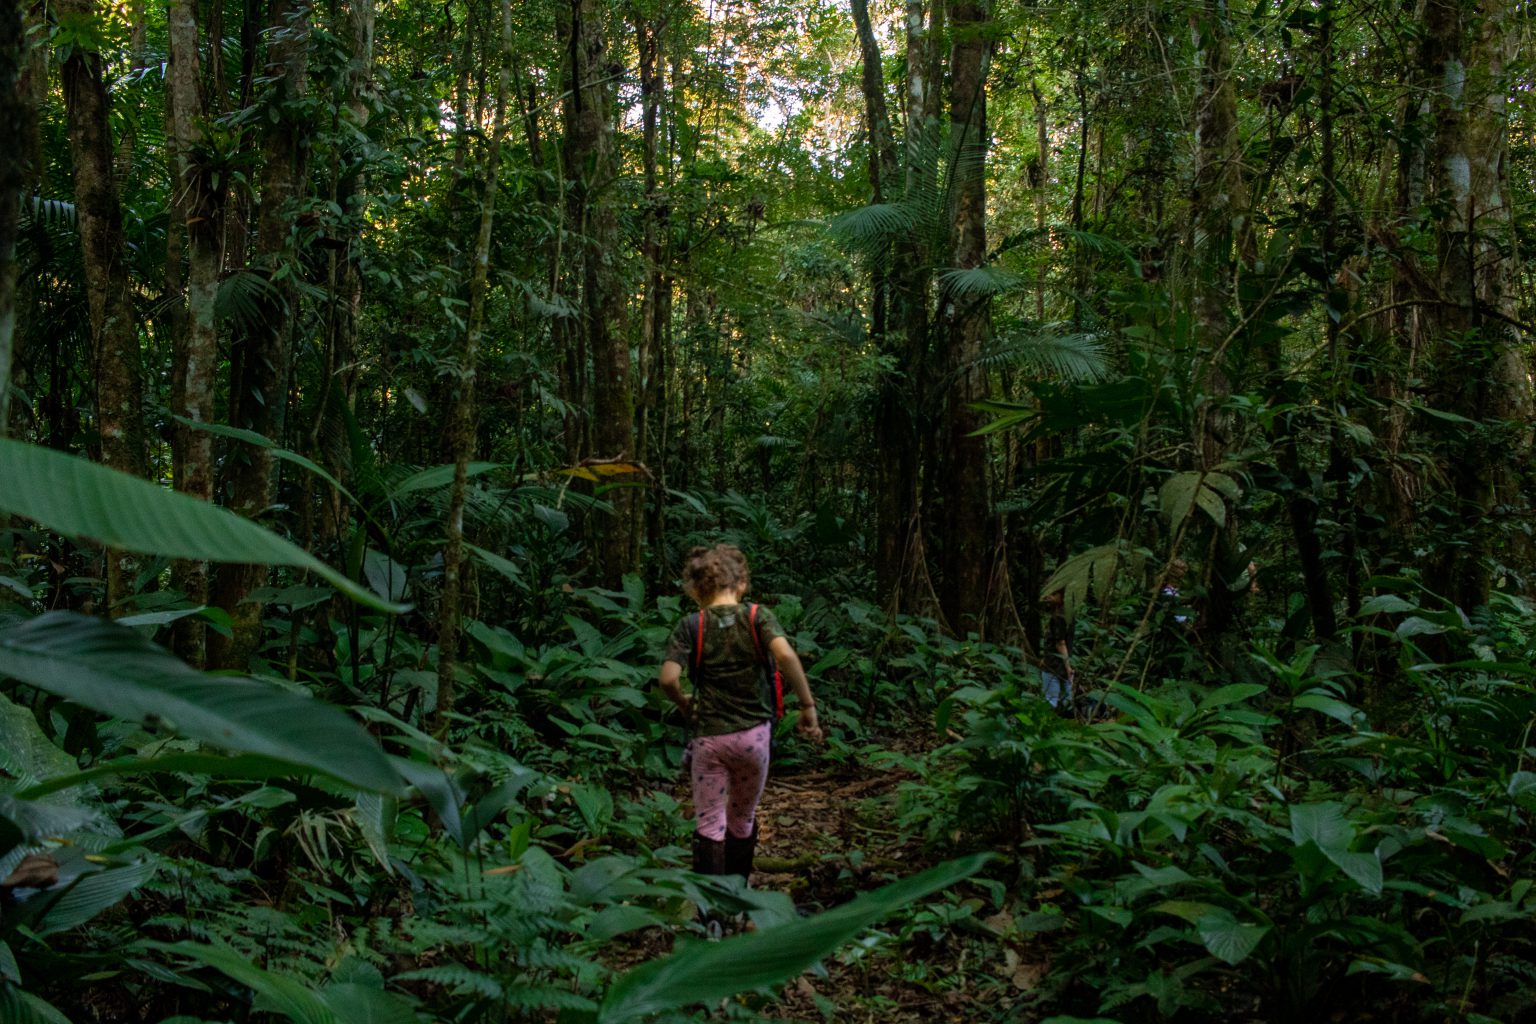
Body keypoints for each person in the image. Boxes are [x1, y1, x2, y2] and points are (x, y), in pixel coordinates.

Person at [657, 544, 823, 908]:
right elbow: (785, 655)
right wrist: (807, 706)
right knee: (742, 817)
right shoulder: (758, 617)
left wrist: (685, 703)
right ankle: (737, 901)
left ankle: (710, 916)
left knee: (709, 821)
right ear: (742, 583)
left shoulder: (691, 625)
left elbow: (669, 678)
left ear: (696, 590)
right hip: (754, 738)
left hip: (710, 740)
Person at [1041, 589, 1074, 711]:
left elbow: (1060, 643)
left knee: (1051, 701)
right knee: (1067, 701)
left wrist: (1068, 667)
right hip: (1062, 662)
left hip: (1054, 664)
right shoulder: (1069, 614)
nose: (1049, 597)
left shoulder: (1058, 617)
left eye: (1054, 594)